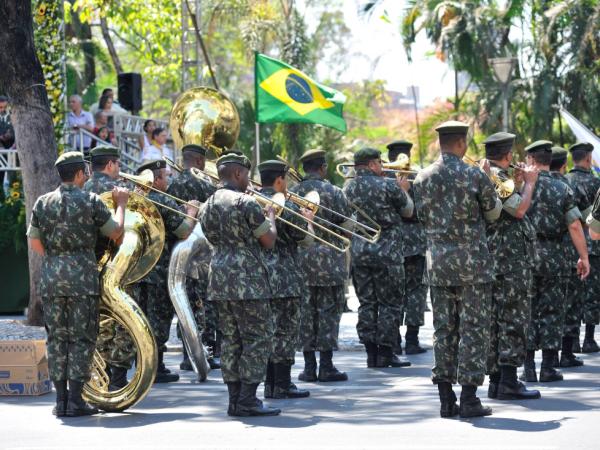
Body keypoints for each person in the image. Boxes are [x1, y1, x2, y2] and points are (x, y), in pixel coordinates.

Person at [26, 151, 128, 417]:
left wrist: (57, 257)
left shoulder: (43, 202)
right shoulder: (91, 200)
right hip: (82, 280)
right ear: (81, 173)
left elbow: (34, 242)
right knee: (82, 339)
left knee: (57, 339)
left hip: (51, 279)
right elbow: (116, 232)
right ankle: (76, 401)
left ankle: (60, 401)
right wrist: (121, 204)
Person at [413, 120, 502, 419]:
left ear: (440, 143)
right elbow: (493, 214)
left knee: (443, 330)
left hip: (438, 265)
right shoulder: (474, 175)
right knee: (473, 330)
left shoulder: (421, 178)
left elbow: (421, 218)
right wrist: (487, 182)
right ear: (462, 143)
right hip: (473, 266)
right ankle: (469, 399)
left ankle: (445, 399)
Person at [200, 153, 281, 417]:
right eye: (246, 174)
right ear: (237, 174)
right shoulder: (245, 202)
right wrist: (271, 217)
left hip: (220, 279)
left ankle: (234, 399)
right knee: (257, 337)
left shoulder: (207, 204)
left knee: (231, 339)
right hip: (248, 281)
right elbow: (268, 240)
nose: (248, 180)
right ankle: (248, 398)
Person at [520, 140, 590, 383]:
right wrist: (584, 256)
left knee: (527, 309)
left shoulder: (520, 184)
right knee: (552, 310)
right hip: (556, 257)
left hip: (526, 255)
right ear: (550, 161)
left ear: (530, 159)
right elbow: (574, 224)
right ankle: (547, 367)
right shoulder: (563, 188)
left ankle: (527, 366)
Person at [482, 132, 541, 401]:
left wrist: (517, 183)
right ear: (507, 156)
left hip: (497, 259)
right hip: (508, 261)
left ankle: (497, 381)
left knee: (497, 319)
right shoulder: (497, 176)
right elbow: (518, 210)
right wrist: (529, 183)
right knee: (512, 318)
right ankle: (507, 381)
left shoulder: (494, 175)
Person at [343, 148, 414, 368]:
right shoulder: (389, 185)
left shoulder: (348, 188)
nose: (382, 167)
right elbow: (409, 212)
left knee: (366, 304)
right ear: (373, 164)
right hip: (388, 255)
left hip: (361, 254)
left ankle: (370, 353)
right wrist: (404, 190)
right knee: (390, 304)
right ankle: (386, 353)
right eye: (380, 163)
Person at [289, 149, 353, 383]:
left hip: (300, 263)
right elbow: (347, 229)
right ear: (323, 167)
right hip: (330, 263)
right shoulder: (335, 192)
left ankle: (308, 367)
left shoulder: (291, 193)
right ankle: (326, 366)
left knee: (306, 313)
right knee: (328, 314)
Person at [134, 159, 200, 383]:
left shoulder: (135, 198)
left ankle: (140, 363)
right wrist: (191, 211)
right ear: (156, 179)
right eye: (166, 176)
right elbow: (183, 231)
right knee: (158, 318)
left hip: (134, 270)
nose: (169, 180)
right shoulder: (162, 200)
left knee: (138, 315)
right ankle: (156, 365)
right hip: (158, 269)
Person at [258, 160, 312, 400]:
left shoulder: (251, 202)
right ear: (279, 180)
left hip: (259, 277)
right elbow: (306, 239)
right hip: (286, 278)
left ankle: (269, 384)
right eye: (285, 179)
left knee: (268, 330)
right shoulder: (287, 205)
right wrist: (308, 219)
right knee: (285, 332)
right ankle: (282, 384)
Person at [82, 146, 136, 390]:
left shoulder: (82, 190)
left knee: (99, 321)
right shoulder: (119, 191)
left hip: (88, 266)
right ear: (111, 165)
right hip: (116, 263)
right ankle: (117, 378)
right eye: (119, 165)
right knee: (123, 321)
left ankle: (100, 376)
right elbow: (124, 230)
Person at [166, 144, 219, 370]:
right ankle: (204, 351)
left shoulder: (171, 185)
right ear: (199, 161)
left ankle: (188, 356)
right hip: (203, 252)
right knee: (204, 303)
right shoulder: (207, 184)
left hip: (179, 252)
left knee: (184, 300)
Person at [387, 140, 428, 355]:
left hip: (395, 245)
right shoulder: (417, 178)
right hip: (412, 243)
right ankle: (410, 340)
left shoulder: (384, 179)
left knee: (396, 293)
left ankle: (398, 340)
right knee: (414, 292)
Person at [549, 147, 586, 367]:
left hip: (531, 255)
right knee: (566, 304)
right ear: (563, 165)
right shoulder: (565, 187)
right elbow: (577, 222)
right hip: (564, 253)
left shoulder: (526, 186)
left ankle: (533, 365)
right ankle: (565, 353)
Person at [566, 142, 600, 354]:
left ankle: (572, 342)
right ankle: (588, 338)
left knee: (573, 294)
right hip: (594, 245)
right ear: (588, 159)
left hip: (571, 244)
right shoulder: (596, 183)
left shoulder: (565, 181)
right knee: (593, 294)